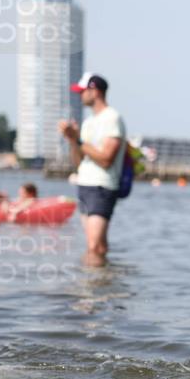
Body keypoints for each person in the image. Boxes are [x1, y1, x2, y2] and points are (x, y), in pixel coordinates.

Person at [58, 72, 126, 266]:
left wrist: (78, 139)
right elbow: (79, 162)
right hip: (85, 185)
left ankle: (92, 289)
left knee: (94, 246)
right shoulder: (88, 122)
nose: (80, 96)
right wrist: (72, 140)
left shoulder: (112, 118)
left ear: (94, 91)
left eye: (82, 91)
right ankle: (103, 283)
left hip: (102, 187)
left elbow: (106, 160)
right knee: (97, 245)